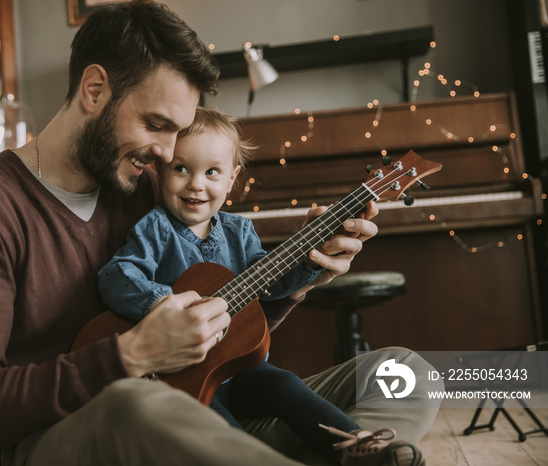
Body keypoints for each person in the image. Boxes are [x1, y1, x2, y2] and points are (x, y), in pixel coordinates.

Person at [0, 1, 440, 466]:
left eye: (178, 132)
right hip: (77, 435)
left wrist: (300, 277)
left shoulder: (149, 188)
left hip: (197, 416)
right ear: (95, 89)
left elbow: (214, 342)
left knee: (405, 372)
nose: (170, 156)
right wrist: (131, 356)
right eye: (156, 124)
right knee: (135, 403)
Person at [96, 107, 423, 466]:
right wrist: (164, 304)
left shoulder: (240, 231)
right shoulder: (155, 228)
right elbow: (116, 277)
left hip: (239, 369)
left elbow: (272, 284)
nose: (196, 183)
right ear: (159, 173)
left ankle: (360, 447)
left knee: (283, 384)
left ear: (233, 178)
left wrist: (312, 260)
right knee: (214, 427)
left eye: (212, 172)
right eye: (181, 169)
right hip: (177, 377)